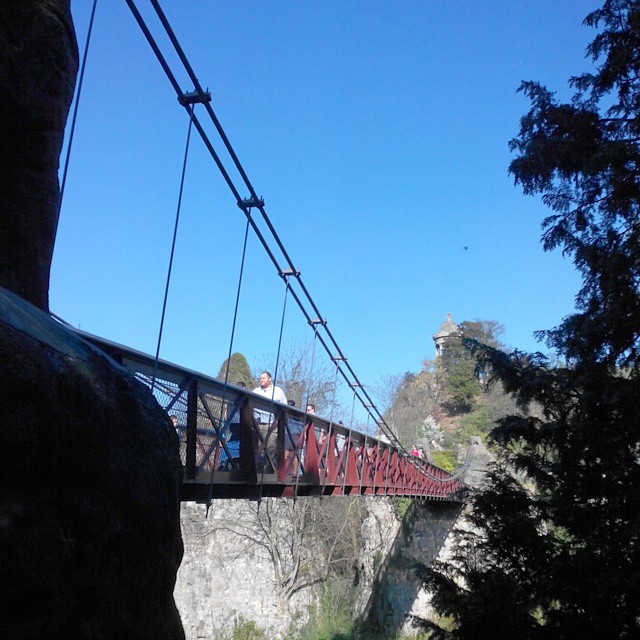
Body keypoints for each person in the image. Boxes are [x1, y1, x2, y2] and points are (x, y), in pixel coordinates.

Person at [252, 371, 287, 468]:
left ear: (270, 379)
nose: (261, 380)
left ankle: (268, 468)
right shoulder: (255, 391)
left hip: (273, 423)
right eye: (260, 378)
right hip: (259, 424)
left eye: (263, 378)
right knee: (259, 447)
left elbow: (285, 406)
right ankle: (259, 468)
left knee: (270, 446)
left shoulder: (278, 391)